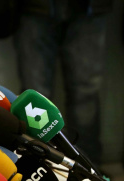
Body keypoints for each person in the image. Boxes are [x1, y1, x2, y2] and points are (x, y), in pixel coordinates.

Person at [13, 0, 112, 166]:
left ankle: (89, 169)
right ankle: (40, 167)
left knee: (85, 94)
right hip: (35, 7)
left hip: (88, 7)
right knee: (34, 96)